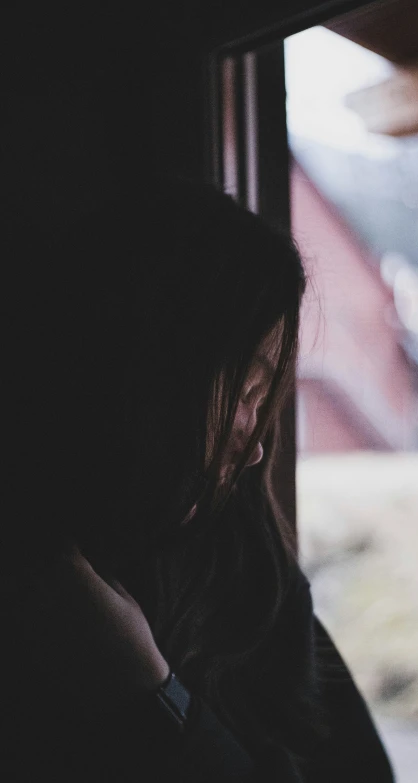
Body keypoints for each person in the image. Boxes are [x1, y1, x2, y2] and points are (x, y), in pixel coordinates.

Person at [3, 182, 394, 782]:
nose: (259, 442)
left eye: (264, 397)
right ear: (156, 370)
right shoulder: (31, 579)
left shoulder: (254, 582)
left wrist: (153, 699)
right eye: (245, 391)